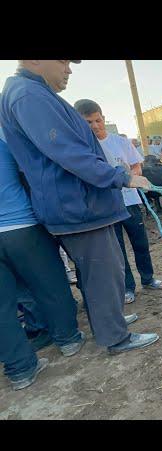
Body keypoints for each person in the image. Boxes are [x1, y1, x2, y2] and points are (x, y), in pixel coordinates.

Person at [0, 60, 158, 355]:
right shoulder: (28, 96)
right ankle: (115, 336)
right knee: (104, 270)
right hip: (78, 206)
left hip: (76, 203)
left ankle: (110, 321)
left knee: (101, 270)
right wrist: (121, 177)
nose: (69, 69)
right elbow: (69, 153)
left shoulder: (31, 92)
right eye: (63, 61)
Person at [1, 129, 86, 390]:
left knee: (2, 306)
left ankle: (20, 370)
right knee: (50, 285)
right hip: (22, 226)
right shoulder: (6, 143)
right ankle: (68, 339)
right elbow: (31, 175)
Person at [75, 99, 162, 304]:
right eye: (88, 122)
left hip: (131, 201)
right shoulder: (82, 149)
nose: (95, 126)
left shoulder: (120, 142)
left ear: (103, 118)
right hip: (107, 207)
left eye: (98, 120)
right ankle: (128, 287)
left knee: (140, 242)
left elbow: (137, 168)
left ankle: (148, 277)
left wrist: (130, 176)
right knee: (118, 250)